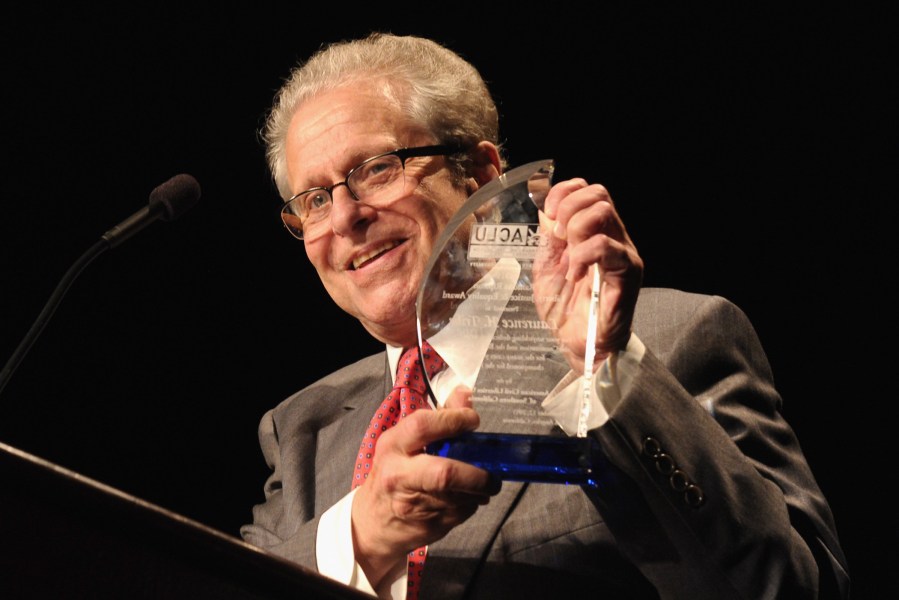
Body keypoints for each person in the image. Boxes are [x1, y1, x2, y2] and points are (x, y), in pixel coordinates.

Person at [240, 32, 850, 599]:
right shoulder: (300, 432)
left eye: (375, 169)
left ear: (481, 173)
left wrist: (603, 370)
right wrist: (361, 537)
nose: (345, 218)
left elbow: (791, 585)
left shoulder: (669, 339)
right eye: (314, 199)